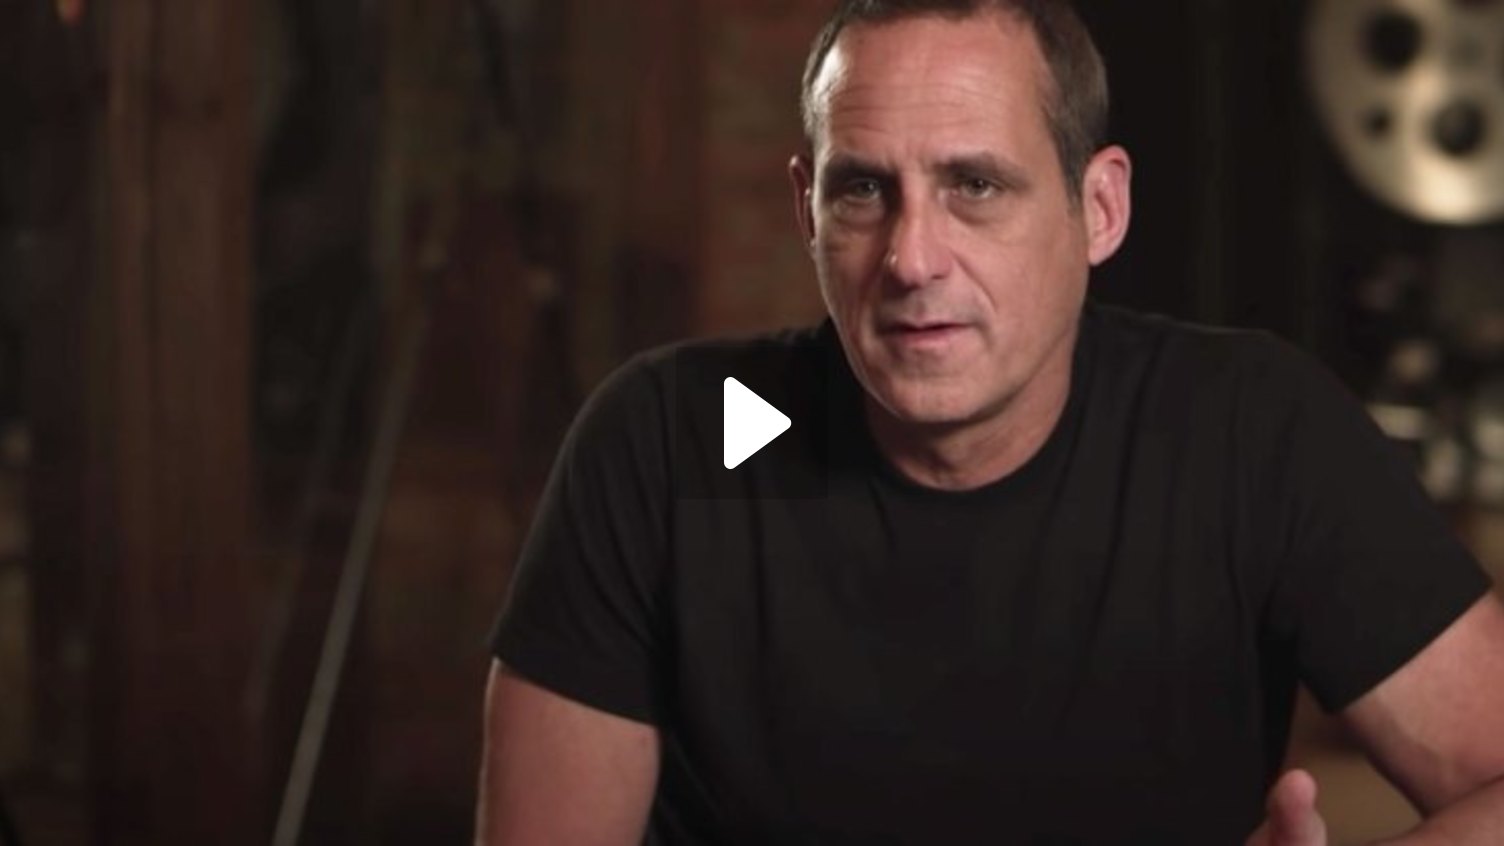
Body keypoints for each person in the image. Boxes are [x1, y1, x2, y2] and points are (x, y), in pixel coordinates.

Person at [475, 1, 1504, 843]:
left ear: (1098, 209)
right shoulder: (667, 444)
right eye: (863, 190)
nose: (911, 258)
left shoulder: (1250, 433)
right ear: (806, 212)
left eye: (974, 186)